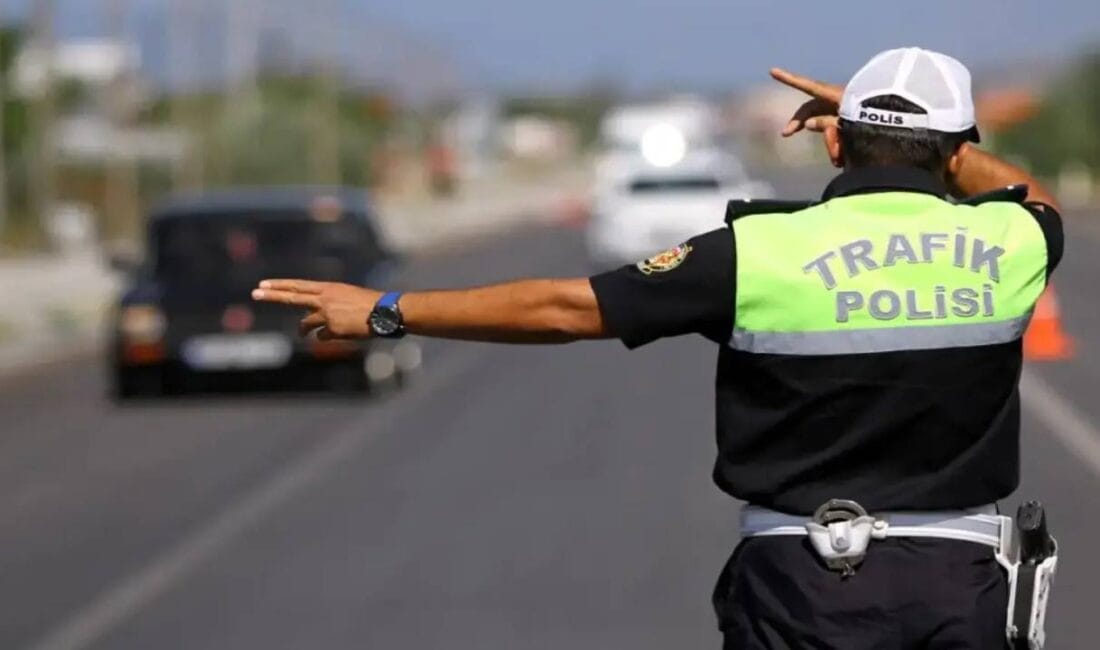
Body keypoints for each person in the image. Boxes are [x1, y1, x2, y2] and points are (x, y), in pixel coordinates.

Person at [253, 48, 1062, 649]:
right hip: (960, 592)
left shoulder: (754, 253)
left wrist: (389, 312)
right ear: (956, 155)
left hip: (801, 590)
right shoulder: (1012, 241)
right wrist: (909, 130)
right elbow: (1026, 192)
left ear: (834, 145)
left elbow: (566, 308)